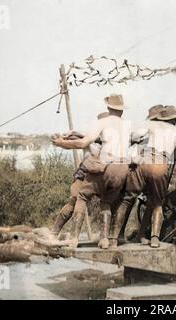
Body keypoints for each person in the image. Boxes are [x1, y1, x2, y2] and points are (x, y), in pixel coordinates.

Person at [52, 94, 130, 249]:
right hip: (118, 170)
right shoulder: (126, 126)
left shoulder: (102, 126)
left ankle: (73, 238)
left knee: (81, 197)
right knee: (104, 201)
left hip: (102, 169)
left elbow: (83, 142)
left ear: (108, 108)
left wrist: (61, 143)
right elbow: (82, 138)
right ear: (122, 111)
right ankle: (105, 239)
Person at [109, 105, 176, 248]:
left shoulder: (152, 124)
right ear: (174, 119)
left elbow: (133, 136)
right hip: (160, 164)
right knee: (157, 204)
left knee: (127, 200)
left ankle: (114, 238)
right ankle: (154, 239)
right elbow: (174, 158)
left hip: (143, 161)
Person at [50, 112, 109, 239]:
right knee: (74, 201)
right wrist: (61, 140)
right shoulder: (89, 136)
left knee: (106, 202)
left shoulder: (113, 140)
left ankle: (105, 238)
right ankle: (55, 233)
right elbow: (72, 140)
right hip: (86, 173)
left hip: (103, 174)